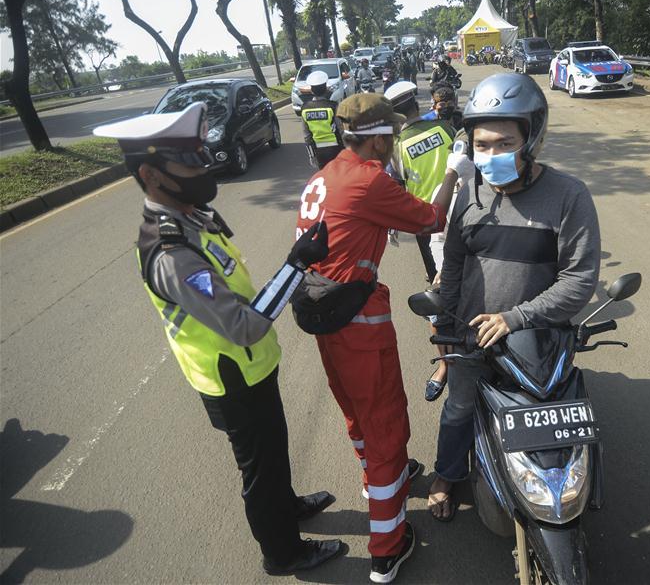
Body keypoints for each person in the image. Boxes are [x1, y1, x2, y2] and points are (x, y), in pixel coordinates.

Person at [93, 102, 342, 574]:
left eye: (203, 156)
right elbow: (245, 323)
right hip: (232, 379)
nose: (204, 169)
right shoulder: (172, 252)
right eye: (190, 162)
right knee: (260, 469)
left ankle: (285, 505)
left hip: (251, 366)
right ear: (151, 175)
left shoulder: (193, 215)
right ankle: (282, 552)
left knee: (274, 447)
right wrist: (297, 264)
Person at [294, 93, 459, 583]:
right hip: (360, 322)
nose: (393, 144)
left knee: (357, 413)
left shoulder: (320, 179)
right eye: (390, 135)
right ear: (377, 138)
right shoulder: (368, 181)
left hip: (325, 316)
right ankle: (388, 547)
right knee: (385, 422)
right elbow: (434, 219)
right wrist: (454, 171)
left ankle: (378, 481)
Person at [427, 73, 602, 521]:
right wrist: (445, 324)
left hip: (539, 342)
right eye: (481, 145)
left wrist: (516, 317)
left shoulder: (568, 196)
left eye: (503, 144)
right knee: (459, 407)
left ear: (532, 138)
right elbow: (453, 267)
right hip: (472, 338)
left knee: (557, 418)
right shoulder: (470, 195)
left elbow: (579, 279)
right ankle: (447, 473)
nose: (490, 156)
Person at [384, 80, 464, 401]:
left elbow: (396, 191)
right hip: (461, 215)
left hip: (428, 226)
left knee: (439, 291)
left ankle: (445, 366)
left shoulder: (396, 150)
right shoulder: (445, 129)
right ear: (418, 103)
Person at [298, 70, 342, 169]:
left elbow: (307, 136)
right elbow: (341, 129)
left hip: (318, 151)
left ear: (312, 91)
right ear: (326, 89)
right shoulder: (332, 106)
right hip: (336, 149)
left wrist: (311, 155)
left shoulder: (305, 108)